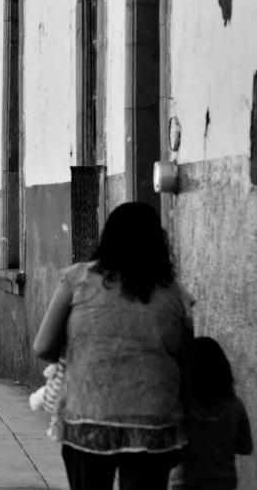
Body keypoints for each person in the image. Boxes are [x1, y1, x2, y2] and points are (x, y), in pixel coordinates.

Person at [33, 202, 194, 490]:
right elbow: (187, 362)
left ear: (107, 237)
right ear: (158, 242)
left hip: (88, 416)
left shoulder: (78, 279)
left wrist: (82, 350)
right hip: (155, 423)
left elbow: (43, 346)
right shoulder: (175, 294)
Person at [169, 337, 252, 490]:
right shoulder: (235, 406)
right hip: (224, 483)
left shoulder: (180, 407)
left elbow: (171, 453)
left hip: (186, 483)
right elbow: (245, 447)